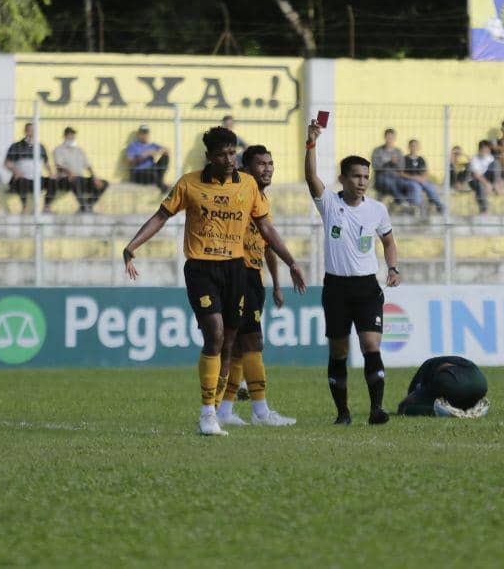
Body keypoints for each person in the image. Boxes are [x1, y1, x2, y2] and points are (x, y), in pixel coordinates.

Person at [122, 126, 306, 436]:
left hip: (235, 269)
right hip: (202, 268)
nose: (230, 159)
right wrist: (131, 246)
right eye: (222, 154)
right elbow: (160, 216)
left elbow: (266, 228)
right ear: (209, 156)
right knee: (216, 334)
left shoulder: (247, 185)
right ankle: (207, 413)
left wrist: (291, 262)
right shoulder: (189, 183)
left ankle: (220, 409)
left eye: (233, 153)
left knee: (231, 341)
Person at [304, 119, 401, 425]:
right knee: (339, 350)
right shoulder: (330, 203)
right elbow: (310, 177)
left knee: (371, 345)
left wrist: (393, 266)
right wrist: (311, 143)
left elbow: (387, 239)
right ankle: (342, 413)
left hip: (366, 287)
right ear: (343, 179)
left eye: (365, 177)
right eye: (356, 176)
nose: (362, 182)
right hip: (336, 288)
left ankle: (376, 409)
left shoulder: (376, 209)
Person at [215, 144, 296, 427]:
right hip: (239, 272)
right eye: (261, 164)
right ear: (245, 169)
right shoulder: (239, 192)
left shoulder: (261, 198)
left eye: (270, 163)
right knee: (253, 341)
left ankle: (225, 410)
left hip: (254, 276)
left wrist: (275, 283)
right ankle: (261, 411)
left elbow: (268, 244)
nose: (268, 168)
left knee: (237, 347)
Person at [397, 356, 489, 417]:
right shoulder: (437, 362)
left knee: (407, 409)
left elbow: (409, 401)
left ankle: (447, 412)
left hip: (452, 381)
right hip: (481, 382)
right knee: (458, 395)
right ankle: (471, 406)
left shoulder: (425, 373)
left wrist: (404, 407)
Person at [52, 127, 109, 213]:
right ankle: (84, 206)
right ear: (64, 136)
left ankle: (88, 205)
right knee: (74, 180)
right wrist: (69, 172)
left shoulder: (79, 150)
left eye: (73, 136)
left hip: (79, 178)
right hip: (65, 179)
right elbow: (58, 166)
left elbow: (88, 165)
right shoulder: (58, 150)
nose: (71, 138)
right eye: (69, 136)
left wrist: (94, 177)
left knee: (104, 183)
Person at [5, 123, 57, 212]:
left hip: (37, 180)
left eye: (34, 131)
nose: (32, 133)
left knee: (53, 181)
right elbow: (7, 163)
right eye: (30, 131)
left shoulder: (40, 147)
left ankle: (46, 206)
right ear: (25, 132)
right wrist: (16, 171)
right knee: (21, 181)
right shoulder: (16, 146)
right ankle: (25, 207)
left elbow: (46, 163)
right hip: (23, 178)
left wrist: (51, 173)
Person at [370, 128, 413, 205]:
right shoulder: (377, 151)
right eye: (388, 137)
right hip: (381, 177)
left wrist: (396, 163)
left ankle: (411, 203)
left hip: (396, 177)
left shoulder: (398, 151)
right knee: (390, 182)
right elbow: (375, 166)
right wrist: (388, 162)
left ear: (395, 138)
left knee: (408, 184)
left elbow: (402, 168)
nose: (389, 140)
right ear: (384, 137)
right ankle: (401, 201)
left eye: (392, 138)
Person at [401, 139, 444, 213]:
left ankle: (439, 205)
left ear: (418, 148)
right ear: (409, 147)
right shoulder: (404, 159)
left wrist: (422, 178)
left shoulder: (421, 159)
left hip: (420, 179)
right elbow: (401, 173)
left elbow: (425, 172)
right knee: (416, 187)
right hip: (409, 180)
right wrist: (414, 178)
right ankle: (417, 207)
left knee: (430, 186)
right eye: (412, 146)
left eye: (415, 146)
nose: (414, 148)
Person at [125, 124, 171, 191]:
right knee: (152, 175)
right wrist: (144, 155)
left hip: (152, 170)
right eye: (142, 134)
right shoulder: (133, 146)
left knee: (165, 157)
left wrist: (156, 152)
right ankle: (162, 185)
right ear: (138, 135)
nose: (144, 136)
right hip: (139, 173)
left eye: (146, 134)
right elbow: (129, 163)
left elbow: (166, 150)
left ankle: (160, 181)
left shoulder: (152, 145)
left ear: (148, 135)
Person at [469, 140, 498, 214]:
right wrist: (487, 184)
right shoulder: (474, 158)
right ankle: (484, 210)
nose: (486, 150)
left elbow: (495, 171)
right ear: (480, 149)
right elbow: (476, 175)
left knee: (496, 163)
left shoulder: (490, 157)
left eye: (487, 149)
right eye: (484, 149)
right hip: (475, 180)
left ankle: (495, 185)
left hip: (487, 179)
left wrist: (497, 183)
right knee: (480, 186)